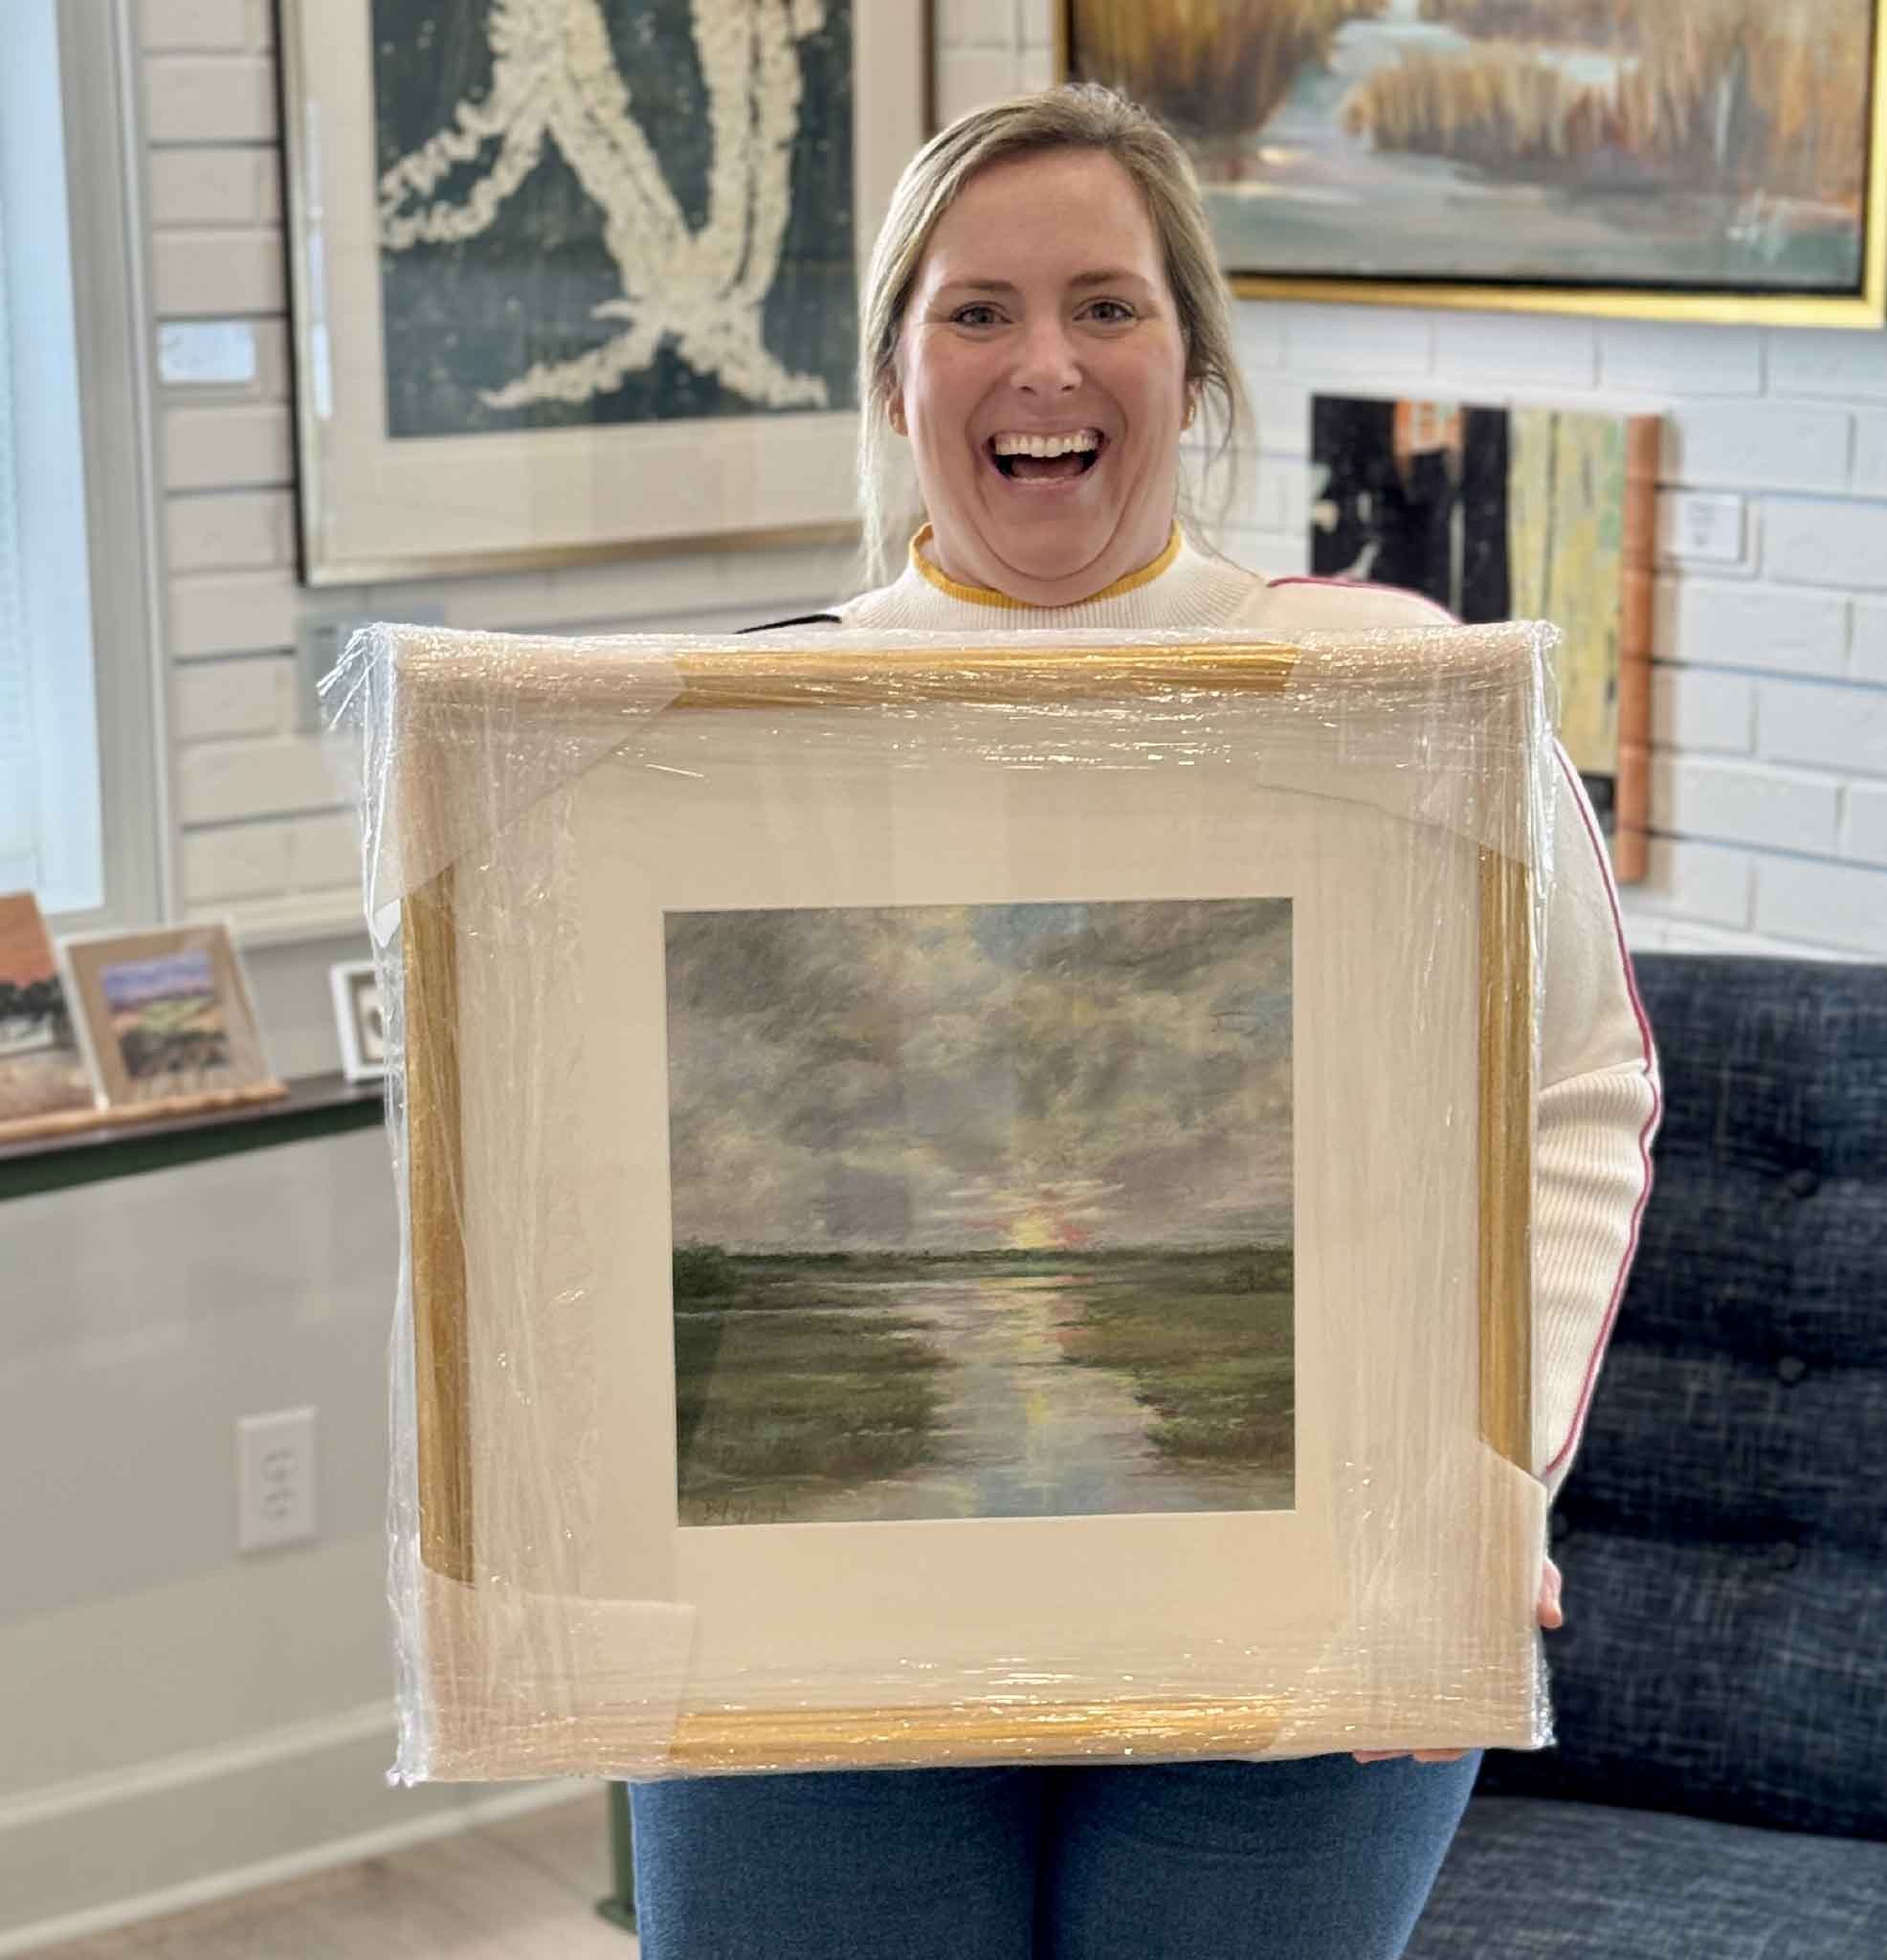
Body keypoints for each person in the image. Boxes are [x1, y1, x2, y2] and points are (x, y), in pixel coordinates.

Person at [630, 84, 1659, 1960]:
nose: (1048, 363)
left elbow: (1577, 1090)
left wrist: (1478, 1478)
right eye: (977, 310)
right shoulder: (729, 757)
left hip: (1307, 1573)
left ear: (1189, 365)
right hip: (824, 1577)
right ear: (890, 375)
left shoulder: (1388, 695)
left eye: (1107, 303)